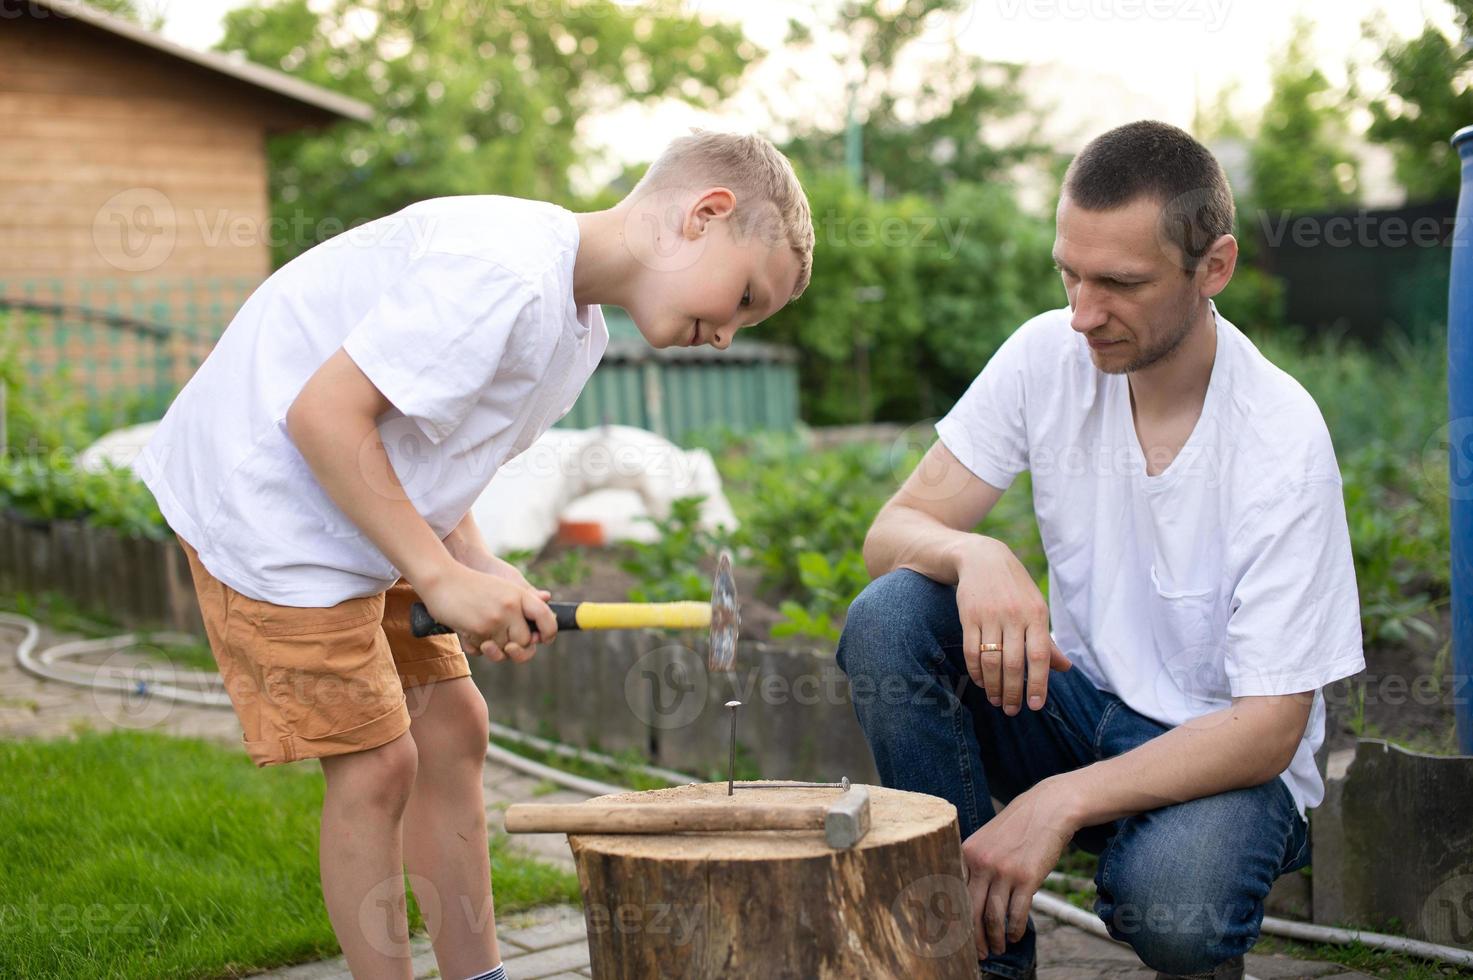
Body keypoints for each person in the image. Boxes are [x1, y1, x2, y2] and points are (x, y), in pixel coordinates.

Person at [137, 130, 813, 980]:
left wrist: (478, 565)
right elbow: (321, 418)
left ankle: (479, 974)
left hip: (354, 502)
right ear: (704, 215)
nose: (728, 336)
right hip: (267, 508)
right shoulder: (503, 271)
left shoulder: (578, 334)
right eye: (747, 295)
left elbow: (436, 451)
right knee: (378, 764)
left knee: (452, 726)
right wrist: (437, 575)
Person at [837, 120, 1363, 980]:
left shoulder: (1278, 437)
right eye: (1068, 274)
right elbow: (890, 535)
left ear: (1213, 268)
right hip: (1077, 710)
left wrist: (1058, 801)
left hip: (1224, 763)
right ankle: (985, 964)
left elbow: (1268, 728)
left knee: (1176, 908)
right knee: (892, 616)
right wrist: (975, 556)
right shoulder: (1047, 356)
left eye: (1120, 283)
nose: (1083, 314)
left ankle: (1154, 867)